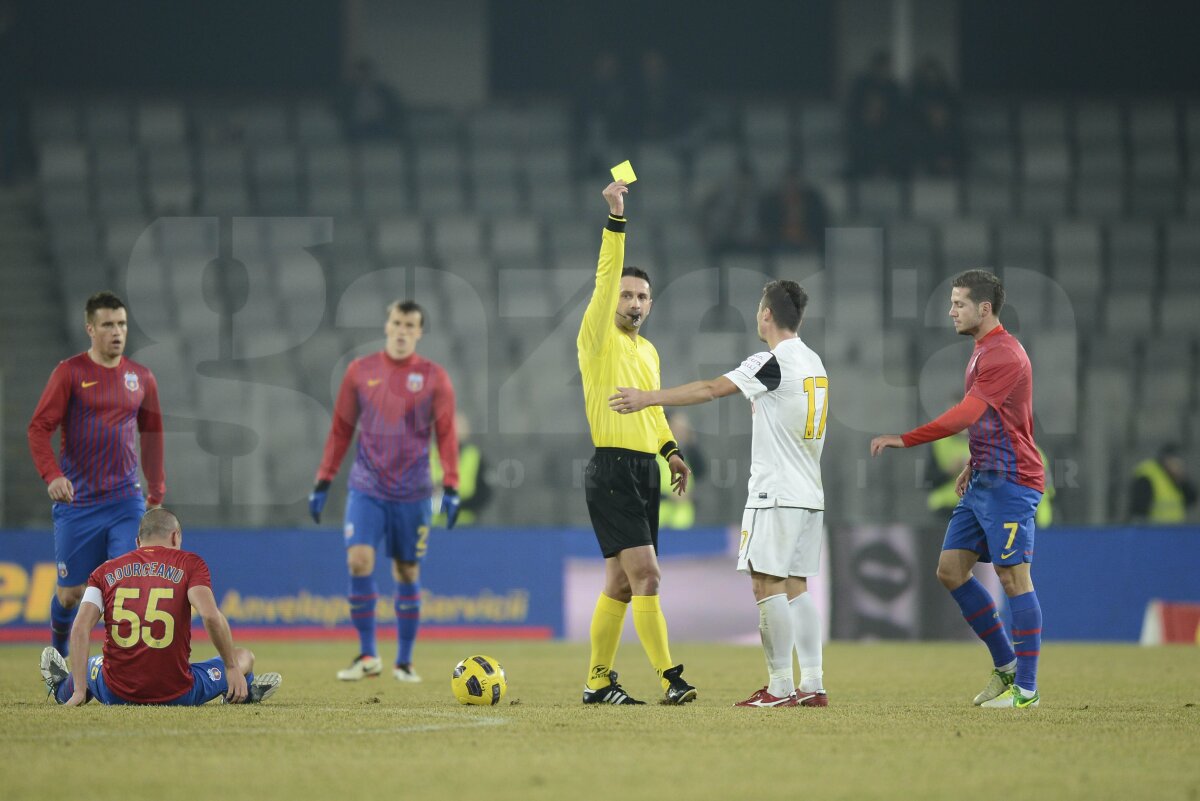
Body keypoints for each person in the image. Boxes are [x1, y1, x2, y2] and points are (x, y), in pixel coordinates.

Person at [611, 280, 830, 708]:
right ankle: (814, 684)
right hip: (809, 493)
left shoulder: (773, 360)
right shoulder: (814, 361)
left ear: (766, 314)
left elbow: (711, 389)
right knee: (797, 585)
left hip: (776, 492)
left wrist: (648, 398)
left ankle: (781, 686)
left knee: (766, 583)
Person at [871, 270, 1045, 709]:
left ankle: (1026, 689)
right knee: (950, 570)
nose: (951, 311)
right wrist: (972, 461)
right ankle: (1005, 667)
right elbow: (995, 419)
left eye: (959, 304)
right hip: (985, 476)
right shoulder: (982, 350)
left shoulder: (1004, 353)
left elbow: (968, 413)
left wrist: (904, 438)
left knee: (1013, 577)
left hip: (1011, 481)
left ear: (984, 309)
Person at [576, 179, 696, 706]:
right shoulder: (597, 337)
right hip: (611, 469)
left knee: (621, 584)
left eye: (642, 295)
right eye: (626, 294)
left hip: (645, 469)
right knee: (647, 575)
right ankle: (671, 678)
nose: (633, 301)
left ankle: (597, 681)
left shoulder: (648, 351)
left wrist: (670, 452)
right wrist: (616, 217)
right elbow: (606, 275)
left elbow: (657, 412)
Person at [309, 300, 460, 683]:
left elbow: (446, 434)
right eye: (396, 322)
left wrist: (453, 485)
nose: (402, 330)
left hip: (413, 492)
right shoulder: (360, 372)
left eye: (410, 324)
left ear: (420, 332)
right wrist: (324, 479)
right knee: (358, 561)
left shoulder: (434, 377)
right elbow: (341, 429)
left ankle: (404, 661)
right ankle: (367, 655)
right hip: (367, 487)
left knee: (406, 570)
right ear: (386, 324)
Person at [27, 291, 165, 657]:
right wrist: (52, 475)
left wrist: (157, 486)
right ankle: (58, 653)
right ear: (90, 328)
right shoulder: (70, 373)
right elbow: (39, 427)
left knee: (127, 584)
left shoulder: (141, 377)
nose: (117, 331)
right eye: (107, 325)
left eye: (121, 324)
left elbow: (152, 433)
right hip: (79, 503)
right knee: (70, 596)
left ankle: (119, 667)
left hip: (125, 500)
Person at [39, 508, 281, 706]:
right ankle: (242, 689)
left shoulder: (105, 571)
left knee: (93, 663)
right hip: (179, 693)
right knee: (243, 657)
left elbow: (80, 626)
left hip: (116, 691)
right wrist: (229, 666)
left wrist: (81, 690)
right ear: (175, 536)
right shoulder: (190, 564)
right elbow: (210, 616)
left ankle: (64, 688)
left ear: (137, 542)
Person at [431, 412, 491, 526]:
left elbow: (483, 494)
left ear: (467, 431)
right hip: (432, 527)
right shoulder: (427, 455)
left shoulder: (475, 456)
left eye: (459, 427)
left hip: (464, 526)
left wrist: (456, 505)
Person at [338, 58, 406, 142]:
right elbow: (343, 110)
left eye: (367, 74)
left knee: (397, 133)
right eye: (361, 74)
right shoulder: (349, 93)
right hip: (359, 126)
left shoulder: (384, 91)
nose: (364, 77)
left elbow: (395, 108)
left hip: (380, 124)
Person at [1128, 443, 1197, 523]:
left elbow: (1192, 499)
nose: (1178, 466)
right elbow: (1139, 511)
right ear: (1166, 460)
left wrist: (1183, 480)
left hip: (1175, 530)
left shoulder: (1175, 478)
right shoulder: (1148, 475)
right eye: (1175, 462)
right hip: (1153, 531)